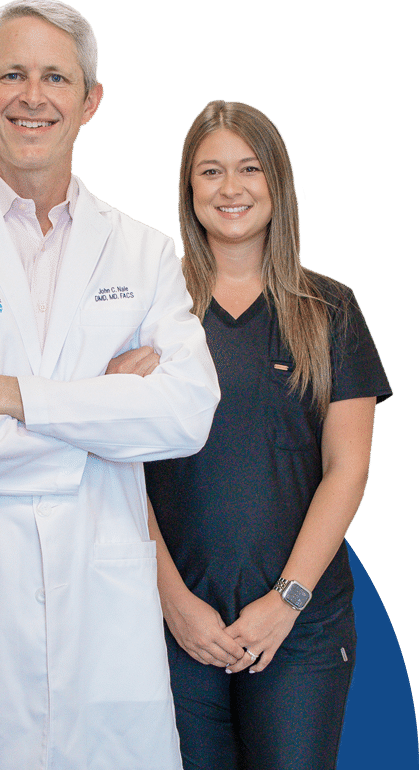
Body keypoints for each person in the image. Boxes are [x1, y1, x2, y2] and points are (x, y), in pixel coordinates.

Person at [0, 0, 220, 770]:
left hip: (105, 637)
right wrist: (107, 421)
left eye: (57, 77)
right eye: (12, 74)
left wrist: (20, 396)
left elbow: (187, 416)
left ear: (89, 101)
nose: (33, 96)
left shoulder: (143, 254)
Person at [144, 100, 392, 770]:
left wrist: (286, 601)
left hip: (301, 631)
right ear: (187, 189)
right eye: (211, 171)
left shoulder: (330, 310)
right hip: (171, 626)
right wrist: (174, 602)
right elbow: (117, 468)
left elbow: (350, 468)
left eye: (249, 168)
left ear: (278, 183)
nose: (231, 188)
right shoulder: (152, 313)